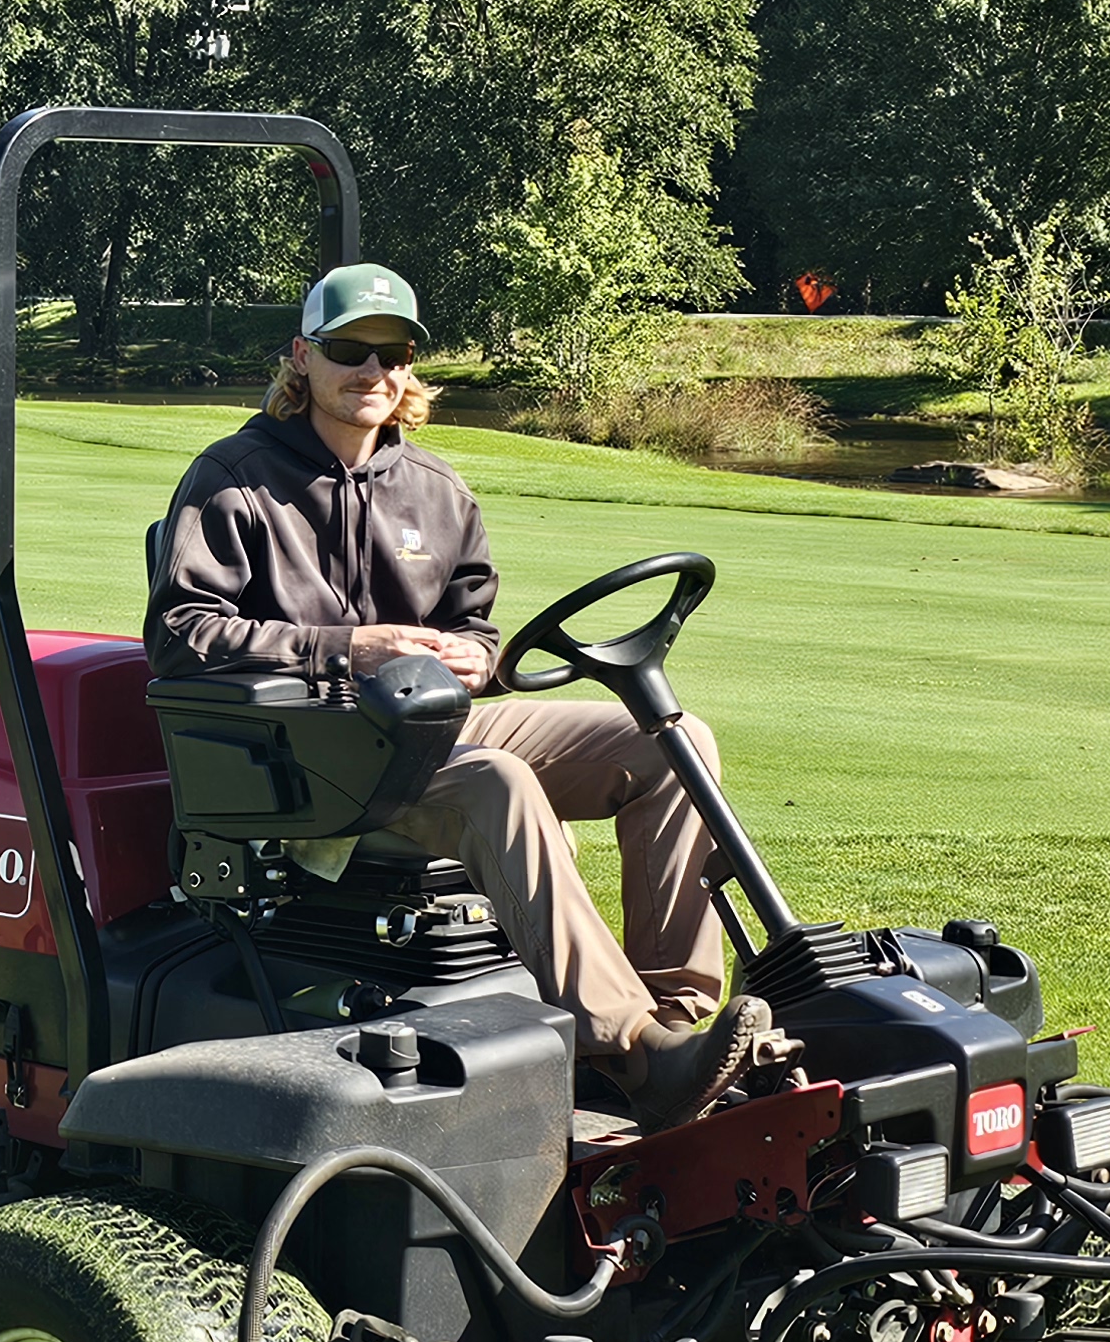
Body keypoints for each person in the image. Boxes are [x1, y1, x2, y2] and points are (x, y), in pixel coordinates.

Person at [145, 262, 778, 1131]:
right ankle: (626, 1049)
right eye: (348, 351)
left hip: (432, 723)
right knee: (498, 784)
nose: (372, 372)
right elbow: (182, 635)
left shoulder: (434, 490)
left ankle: (672, 1021)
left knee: (673, 740)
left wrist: (475, 657)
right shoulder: (235, 479)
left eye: (392, 353)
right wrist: (345, 649)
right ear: (301, 357)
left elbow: (475, 625)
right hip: (309, 751)